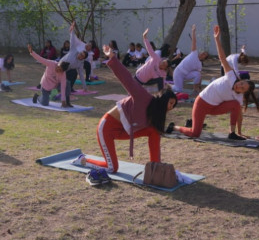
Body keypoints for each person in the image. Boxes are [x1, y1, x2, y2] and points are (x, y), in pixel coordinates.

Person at [73, 43, 178, 178]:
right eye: (170, 103)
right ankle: (82, 160)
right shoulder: (143, 97)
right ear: (163, 100)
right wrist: (112, 58)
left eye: (173, 105)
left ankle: (155, 166)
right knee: (112, 168)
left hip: (125, 130)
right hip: (107, 128)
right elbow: (127, 79)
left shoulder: (156, 112)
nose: (170, 107)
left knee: (154, 130)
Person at [170, 26, 259, 139]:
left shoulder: (238, 97)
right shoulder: (231, 76)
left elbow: (239, 115)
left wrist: (239, 132)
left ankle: (232, 133)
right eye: (242, 83)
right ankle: (174, 127)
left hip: (214, 108)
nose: (240, 86)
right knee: (195, 134)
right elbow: (222, 58)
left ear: (243, 92)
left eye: (242, 88)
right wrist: (217, 39)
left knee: (236, 106)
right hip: (202, 104)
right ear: (241, 80)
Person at [172, 25, 209, 93]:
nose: (202, 54)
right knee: (178, 90)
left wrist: (199, 86)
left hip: (186, 75)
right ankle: (168, 86)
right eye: (203, 52)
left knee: (198, 74)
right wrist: (193, 31)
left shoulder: (199, 65)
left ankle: (195, 88)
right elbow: (194, 42)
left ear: (204, 58)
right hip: (178, 72)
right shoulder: (194, 53)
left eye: (204, 54)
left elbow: (199, 77)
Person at [59, 23, 89, 107]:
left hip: (67, 71)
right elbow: (72, 40)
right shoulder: (73, 50)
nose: (80, 55)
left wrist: (85, 87)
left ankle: (68, 90)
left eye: (82, 56)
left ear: (83, 58)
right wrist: (72, 30)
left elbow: (82, 75)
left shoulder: (80, 63)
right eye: (80, 54)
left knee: (74, 73)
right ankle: (62, 89)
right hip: (60, 67)